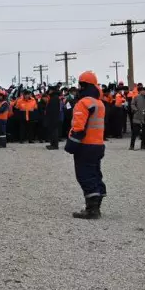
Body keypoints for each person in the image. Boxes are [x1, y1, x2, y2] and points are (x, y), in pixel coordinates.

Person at [65, 71, 107, 219]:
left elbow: (78, 127)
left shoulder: (83, 103)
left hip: (86, 146)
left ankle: (92, 210)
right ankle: (96, 205)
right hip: (98, 145)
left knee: (85, 175)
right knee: (95, 174)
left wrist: (71, 145)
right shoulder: (99, 103)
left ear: (83, 86)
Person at [130, 86, 145, 150]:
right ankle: (132, 146)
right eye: (143, 91)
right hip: (137, 117)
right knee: (134, 132)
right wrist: (135, 110)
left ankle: (143, 145)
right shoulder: (136, 97)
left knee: (144, 133)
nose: (143, 92)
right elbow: (132, 104)